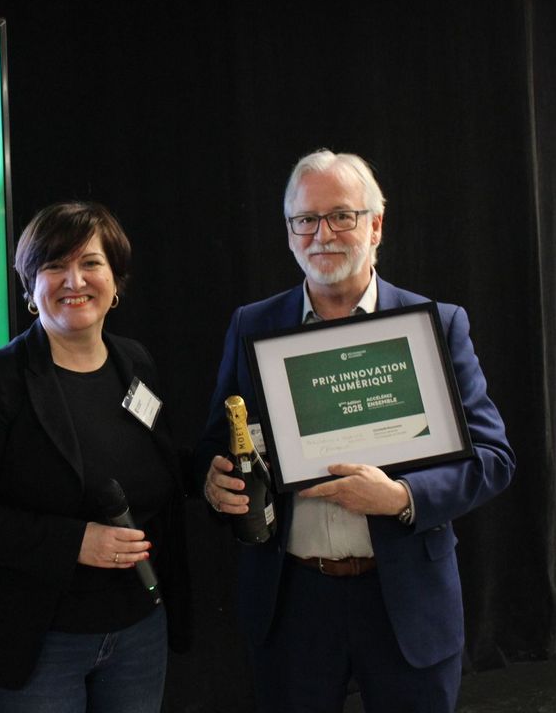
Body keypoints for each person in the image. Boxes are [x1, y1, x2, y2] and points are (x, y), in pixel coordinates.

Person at [197, 149, 514, 712]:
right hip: (293, 602)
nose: (323, 234)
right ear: (290, 232)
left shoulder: (437, 325)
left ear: (376, 225)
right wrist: (212, 478)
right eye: (306, 219)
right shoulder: (252, 325)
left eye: (341, 215)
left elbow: (493, 458)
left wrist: (402, 497)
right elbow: (217, 442)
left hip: (405, 603)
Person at [0, 202, 190, 712]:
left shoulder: (135, 362)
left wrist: (207, 475)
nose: (75, 280)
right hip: (34, 641)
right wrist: (73, 543)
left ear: (115, 280)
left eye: (90, 263)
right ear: (30, 287)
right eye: (54, 266)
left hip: (137, 631)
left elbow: (159, 467)